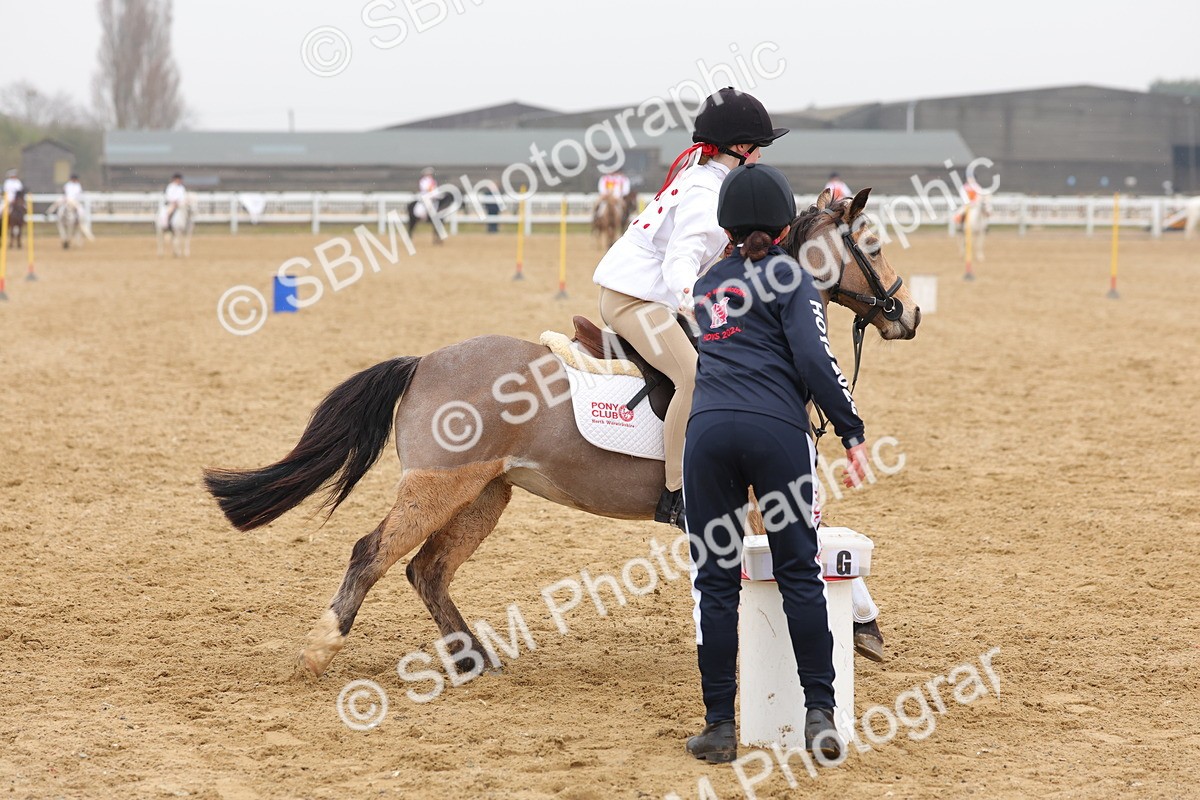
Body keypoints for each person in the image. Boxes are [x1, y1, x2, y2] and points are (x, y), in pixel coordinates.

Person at [682, 163, 870, 764]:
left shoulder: (708, 282)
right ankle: (820, 715)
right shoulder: (794, 278)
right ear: (787, 222)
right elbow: (816, 362)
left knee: (715, 581)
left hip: (707, 436)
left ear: (727, 224)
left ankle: (718, 727)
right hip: (775, 434)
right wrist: (851, 431)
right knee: (797, 573)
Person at [592, 87, 788, 528]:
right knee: (694, 377)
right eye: (759, 148)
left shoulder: (707, 179)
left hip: (649, 294)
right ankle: (676, 494)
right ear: (739, 148)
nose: (761, 157)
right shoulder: (705, 192)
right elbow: (682, 261)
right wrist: (695, 308)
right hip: (636, 300)